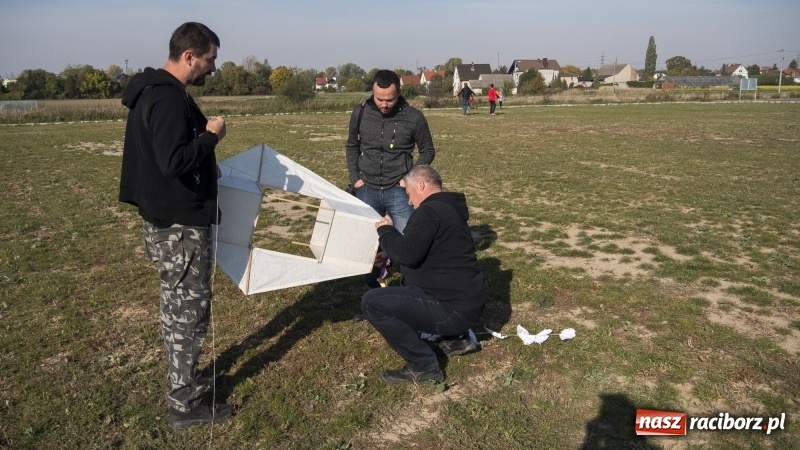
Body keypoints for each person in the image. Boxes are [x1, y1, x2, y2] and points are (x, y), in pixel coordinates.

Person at [119, 22, 234, 429]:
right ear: (189, 56)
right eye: (209, 60)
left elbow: (165, 158)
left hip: (165, 220)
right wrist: (211, 138)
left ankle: (183, 382)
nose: (212, 68)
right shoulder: (167, 98)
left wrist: (204, 160)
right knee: (188, 313)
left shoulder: (150, 92)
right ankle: (184, 405)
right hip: (180, 226)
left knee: (175, 307)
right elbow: (172, 161)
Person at [361, 165, 488, 384]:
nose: (409, 201)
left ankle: (424, 367)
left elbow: (407, 252)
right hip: (467, 307)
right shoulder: (447, 209)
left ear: (420, 184)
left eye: (408, 193)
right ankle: (457, 339)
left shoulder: (429, 212)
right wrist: (389, 257)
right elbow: (421, 251)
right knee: (404, 295)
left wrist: (385, 231)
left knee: (373, 302)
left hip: (453, 311)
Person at [345, 69, 436, 289]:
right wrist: (355, 178)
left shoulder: (414, 117)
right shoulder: (360, 113)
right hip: (366, 188)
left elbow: (428, 151)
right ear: (372, 92)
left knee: (408, 243)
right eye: (379, 99)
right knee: (369, 245)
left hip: (399, 190)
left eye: (390, 99)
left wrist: (408, 178)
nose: (384, 104)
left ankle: (410, 291)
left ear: (399, 93)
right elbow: (351, 146)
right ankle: (372, 291)